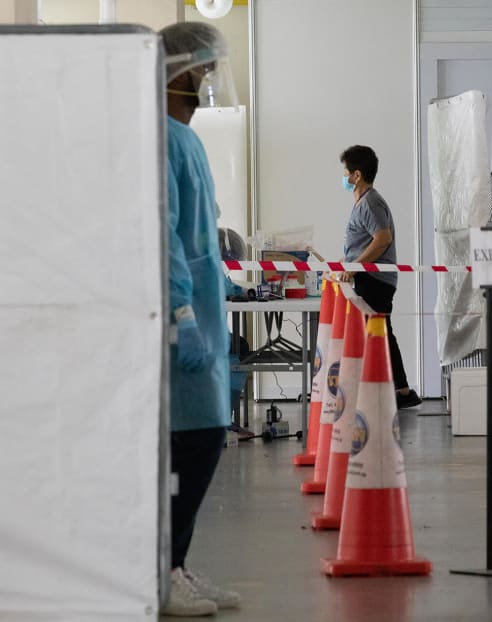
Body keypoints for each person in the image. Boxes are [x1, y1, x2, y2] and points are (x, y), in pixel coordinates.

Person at [160, 22, 242, 617]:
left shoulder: (184, 138)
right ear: (177, 73)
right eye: (203, 69)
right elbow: (163, 233)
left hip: (203, 306)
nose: (208, 80)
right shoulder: (159, 138)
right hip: (181, 314)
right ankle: (161, 571)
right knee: (193, 440)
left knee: (205, 433)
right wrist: (181, 309)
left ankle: (177, 564)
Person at [338, 145, 421, 409]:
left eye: (346, 172)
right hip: (370, 278)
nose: (344, 177)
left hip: (374, 280)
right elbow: (365, 241)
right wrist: (347, 262)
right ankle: (400, 391)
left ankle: (393, 391)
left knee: (375, 334)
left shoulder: (371, 202)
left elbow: (383, 239)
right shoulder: (364, 203)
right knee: (380, 333)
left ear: (357, 175)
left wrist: (356, 266)